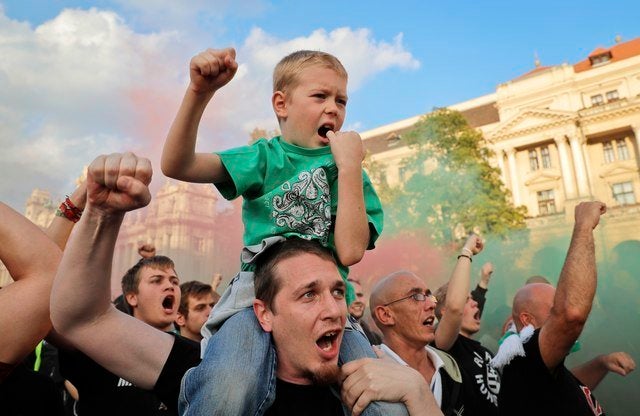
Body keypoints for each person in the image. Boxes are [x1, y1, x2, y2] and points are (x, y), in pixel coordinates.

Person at [50, 152, 437, 415]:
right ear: (263, 312)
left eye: (337, 291)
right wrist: (100, 214)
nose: (334, 308)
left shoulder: (375, 376)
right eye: (308, 294)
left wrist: (418, 395)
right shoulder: (208, 367)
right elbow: (83, 320)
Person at [161, 47, 388, 415]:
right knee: (227, 390)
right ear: (281, 104)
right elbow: (177, 164)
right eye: (320, 96)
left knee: (382, 405)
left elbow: (348, 253)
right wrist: (199, 93)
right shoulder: (264, 157)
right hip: (258, 293)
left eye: (341, 100)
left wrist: (348, 169)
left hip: (329, 305)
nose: (334, 108)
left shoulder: (351, 174)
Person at [493, 201, 636, 414]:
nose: (559, 314)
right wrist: (584, 226)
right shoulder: (524, 355)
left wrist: (600, 363)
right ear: (526, 319)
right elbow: (571, 315)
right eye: (554, 310)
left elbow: (564, 385)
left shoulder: (540, 362)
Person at [370, 270, 464, 415]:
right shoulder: (371, 376)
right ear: (385, 315)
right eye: (415, 296)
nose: (432, 305)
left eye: (429, 295)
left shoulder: (452, 369)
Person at [433, 236, 501, 416]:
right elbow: (455, 308)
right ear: (444, 313)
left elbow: (469, 306)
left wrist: (484, 282)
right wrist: (467, 251)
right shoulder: (444, 347)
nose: (475, 304)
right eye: (467, 300)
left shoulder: (482, 351)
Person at [347, 278, 382, 345]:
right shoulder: (336, 340)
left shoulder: (376, 339)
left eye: (359, 295)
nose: (357, 300)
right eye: (351, 296)